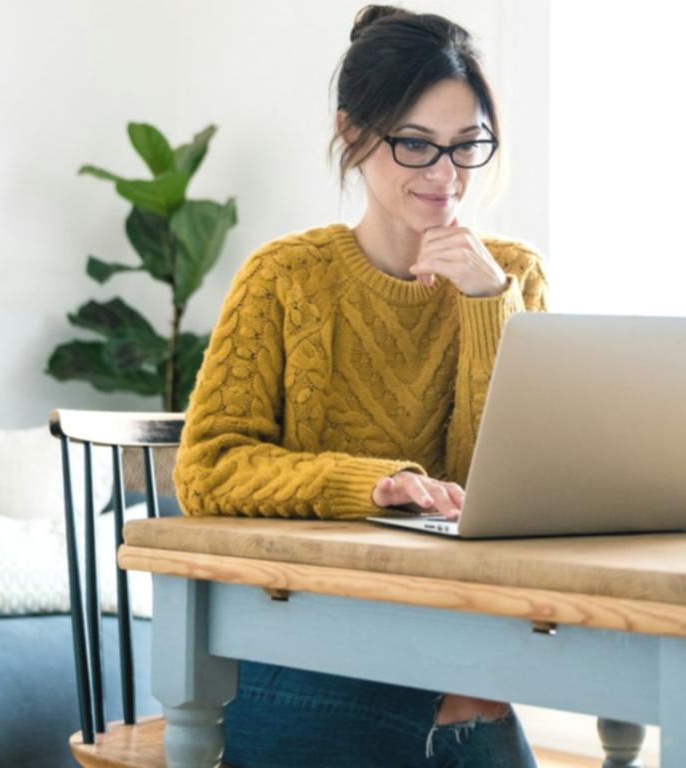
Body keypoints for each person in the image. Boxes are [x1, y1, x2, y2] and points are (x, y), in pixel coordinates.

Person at [171, 5, 547, 766]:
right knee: (460, 703)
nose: (446, 175)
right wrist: (367, 484)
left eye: (467, 145)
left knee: (469, 695)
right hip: (297, 635)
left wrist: (485, 306)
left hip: (459, 629)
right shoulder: (285, 278)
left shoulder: (512, 278)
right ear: (352, 136)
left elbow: (504, 488)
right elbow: (205, 468)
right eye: (415, 145)